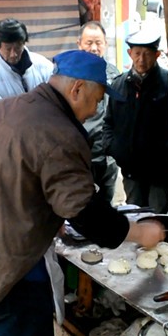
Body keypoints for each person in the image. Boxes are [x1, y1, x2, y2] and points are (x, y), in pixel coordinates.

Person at [0, 50, 165, 336]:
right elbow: (87, 213)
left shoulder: (5, 108)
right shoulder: (58, 131)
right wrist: (141, 232)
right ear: (76, 89)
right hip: (9, 274)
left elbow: (11, 176)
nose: (95, 111)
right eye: (95, 100)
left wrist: (46, 213)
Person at [103, 27, 168, 214]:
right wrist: (114, 147)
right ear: (129, 53)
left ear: (157, 54)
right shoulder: (119, 85)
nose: (142, 60)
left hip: (160, 172)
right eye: (137, 53)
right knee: (135, 215)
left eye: (148, 54)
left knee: (158, 219)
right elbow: (109, 122)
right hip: (131, 170)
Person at [77, 21, 121, 204]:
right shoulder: (71, 76)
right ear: (79, 44)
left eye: (98, 43)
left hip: (108, 157)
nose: (94, 48)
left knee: (107, 205)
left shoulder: (113, 74)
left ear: (106, 45)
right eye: (89, 43)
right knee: (84, 205)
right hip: (83, 155)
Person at [0, 18, 53, 111]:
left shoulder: (44, 66)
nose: (14, 54)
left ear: (24, 43)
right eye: (8, 49)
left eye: (18, 47)